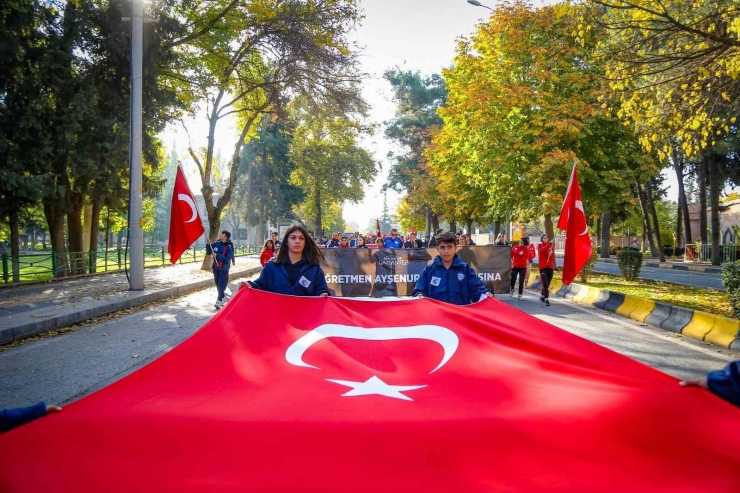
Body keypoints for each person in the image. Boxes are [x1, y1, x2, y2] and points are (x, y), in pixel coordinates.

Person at [245, 224, 329, 296]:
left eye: (301, 238)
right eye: (293, 238)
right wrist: (250, 285)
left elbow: (321, 291)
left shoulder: (314, 270)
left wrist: (323, 294)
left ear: (305, 242)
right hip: (277, 314)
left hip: (305, 314)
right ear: (286, 241)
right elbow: (260, 286)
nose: (297, 241)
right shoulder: (271, 266)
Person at [413, 232, 493, 305]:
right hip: (436, 318)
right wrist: (419, 295)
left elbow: (476, 290)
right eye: (442, 247)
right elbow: (419, 290)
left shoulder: (465, 269)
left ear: (455, 248)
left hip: (459, 317)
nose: (446, 251)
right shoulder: (429, 270)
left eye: (449, 247)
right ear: (437, 249)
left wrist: (485, 294)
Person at [206, 231, 234, 308]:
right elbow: (208, 252)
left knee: (221, 284)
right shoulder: (216, 243)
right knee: (217, 283)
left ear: (226, 237)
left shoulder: (228, 247)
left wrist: (217, 255)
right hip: (215, 267)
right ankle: (222, 297)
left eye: (222, 234)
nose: (221, 235)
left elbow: (227, 258)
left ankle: (219, 301)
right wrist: (208, 244)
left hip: (223, 269)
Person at [538, 234, 555, 307]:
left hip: (550, 267)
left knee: (548, 283)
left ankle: (542, 295)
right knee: (545, 282)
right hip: (543, 267)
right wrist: (549, 244)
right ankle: (547, 298)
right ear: (541, 239)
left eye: (546, 238)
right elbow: (542, 251)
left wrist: (550, 255)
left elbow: (553, 257)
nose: (545, 239)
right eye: (544, 238)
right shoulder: (539, 246)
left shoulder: (550, 247)